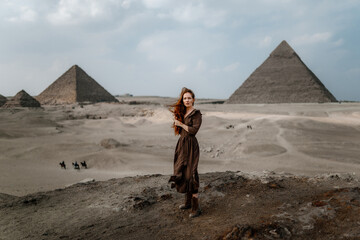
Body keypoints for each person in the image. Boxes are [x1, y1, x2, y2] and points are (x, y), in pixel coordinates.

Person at [168, 87, 202, 218]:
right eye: (185, 98)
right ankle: (187, 203)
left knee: (191, 173)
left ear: (193, 100)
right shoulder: (182, 112)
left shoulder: (196, 113)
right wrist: (177, 121)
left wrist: (181, 124)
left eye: (189, 98)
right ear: (182, 100)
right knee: (182, 171)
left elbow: (193, 130)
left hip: (191, 146)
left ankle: (196, 208)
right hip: (182, 145)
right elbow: (180, 130)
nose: (187, 100)